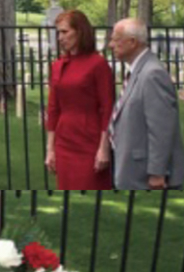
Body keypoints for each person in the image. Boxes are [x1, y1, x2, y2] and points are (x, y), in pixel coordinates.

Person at [108, 18, 184, 189]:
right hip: (133, 169)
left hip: (145, 176)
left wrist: (157, 173)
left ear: (132, 42)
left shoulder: (152, 73)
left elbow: (162, 129)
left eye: (115, 39)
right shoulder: (140, 70)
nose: (110, 45)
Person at [44, 10, 115, 190]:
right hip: (64, 139)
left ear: (80, 31)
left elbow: (107, 108)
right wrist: (50, 149)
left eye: (65, 32)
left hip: (90, 140)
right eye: (58, 32)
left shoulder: (98, 64)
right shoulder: (58, 65)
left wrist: (103, 148)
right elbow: (53, 109)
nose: (60, 37)